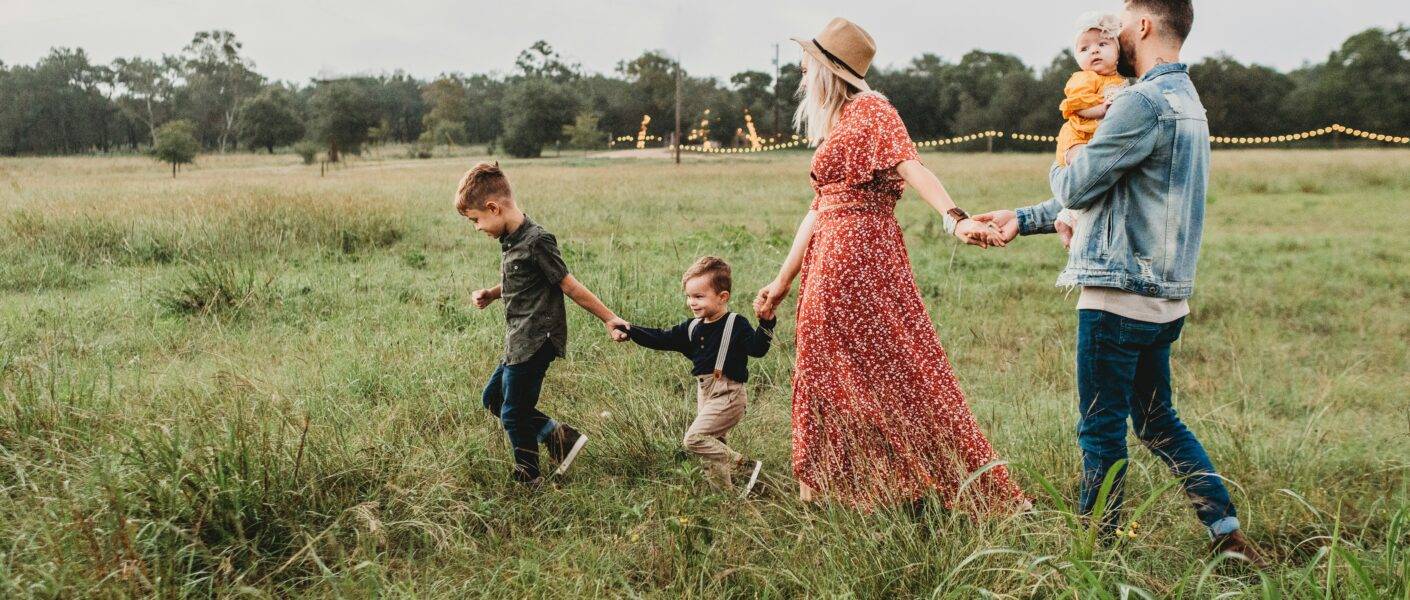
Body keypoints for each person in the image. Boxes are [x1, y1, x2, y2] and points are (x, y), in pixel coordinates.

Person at [975, 0, 1268, 566]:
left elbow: (1079, 186)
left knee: (1100, 430)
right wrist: (1023, 217)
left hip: (1116, 296)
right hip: (1165, 297)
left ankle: (1095, 551)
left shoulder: (1138, 101)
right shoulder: (1187, 100)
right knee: (1159, 422)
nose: (1112, 36)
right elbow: (1118, 190)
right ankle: (1226, 534)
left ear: (1143, 26)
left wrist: (1061, 155)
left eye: (1120, 24)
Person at [753, 17, 1025, 511]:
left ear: (828, 69)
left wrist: (955, 218)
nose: (800, 70)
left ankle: (917, 486)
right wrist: (781, 280)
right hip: (831, 256)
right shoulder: (840, 121)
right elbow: (818, 208)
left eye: (807, 62)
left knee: (893, 371)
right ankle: (831, 492)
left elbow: (911, 165)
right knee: (835, 372)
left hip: (857, 257)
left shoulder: (872, 110)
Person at [456, 161, 630, 486]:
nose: (477, 227)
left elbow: (569, 286)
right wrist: (493, 294)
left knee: (513, 412)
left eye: (476, 220)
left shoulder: (537, 240)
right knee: (493, 399)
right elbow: (522, 282)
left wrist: (610, 319)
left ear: (493, 208)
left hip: (537, 340)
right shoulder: (510, 240)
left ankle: (528, 476)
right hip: (518, 339)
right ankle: (559, 438)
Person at [616, 256, 774, 496]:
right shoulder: (692, 327)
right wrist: (630, 330)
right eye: (689, 296)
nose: (692, 302)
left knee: (695, 439)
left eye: (699, 296)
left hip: (729, 394)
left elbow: (758, 349)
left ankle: (744, 467)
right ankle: (725, 500)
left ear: (723, 297)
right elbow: (661, 337)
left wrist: (766, 322)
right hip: (706, 393)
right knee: (712, 450)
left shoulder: (735, 323)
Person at [1054, 11, 1130, 247]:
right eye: (1084, 49)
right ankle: (1073, 220)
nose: (1094, 51)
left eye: (1102, 44)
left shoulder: (1120, 81)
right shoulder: (1084, 78)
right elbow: (1076, 105)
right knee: (1086, 172)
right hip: (1077, 137)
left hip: (1095, 139)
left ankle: (1067, 217)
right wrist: (1101, 109)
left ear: (1118, 51)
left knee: (1099, 178)